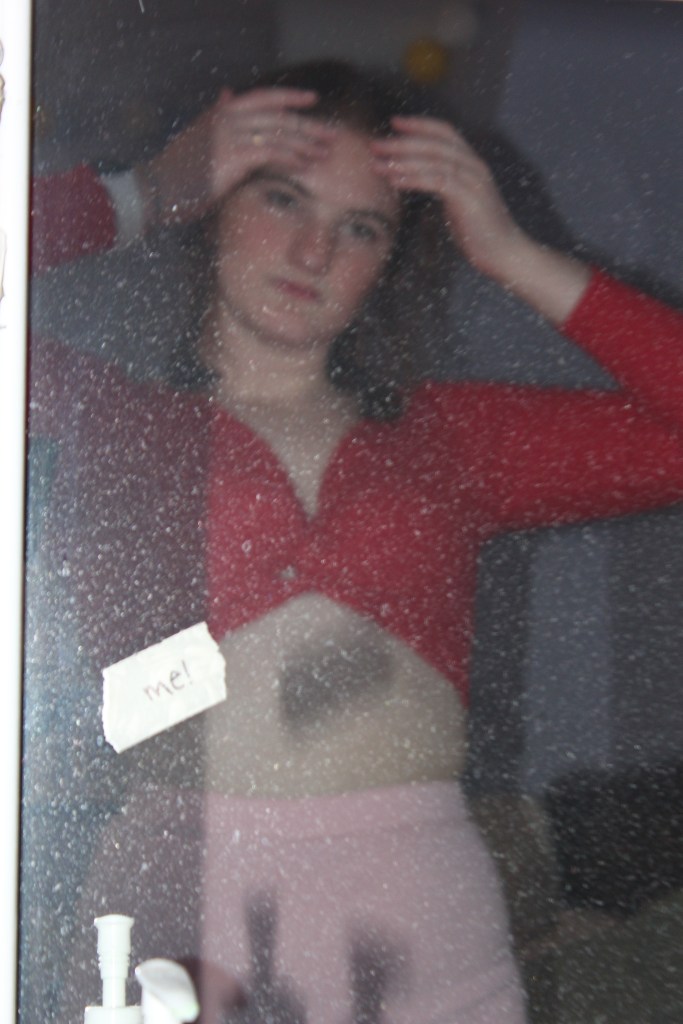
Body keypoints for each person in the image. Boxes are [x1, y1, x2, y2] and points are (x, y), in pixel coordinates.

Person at [28, 62, 683, 1024]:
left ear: (389, 261)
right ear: (214, 203)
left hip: (423, 932)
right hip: (181, 928)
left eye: (361, 228)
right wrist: (141, 194)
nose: (313, 250)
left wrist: (511, 254)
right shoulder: (106, 417)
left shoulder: (448, 438)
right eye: (281, 198)